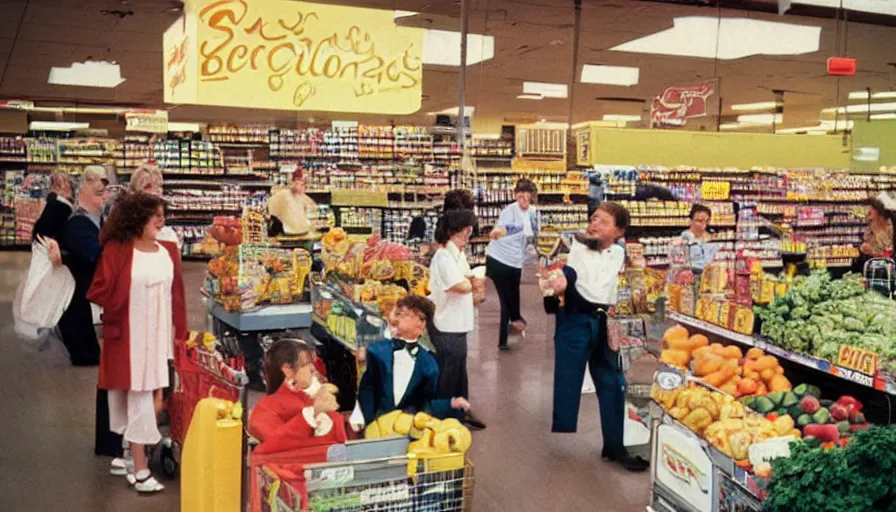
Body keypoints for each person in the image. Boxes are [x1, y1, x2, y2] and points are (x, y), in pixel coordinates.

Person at [86, 191, 188, 493]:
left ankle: (131, 453)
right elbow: (98, 291)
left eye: (162, 214)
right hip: (129, 339)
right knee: (140, 398)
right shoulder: (117, 250)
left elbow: (177, 296)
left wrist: (179, 334)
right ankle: (140, 468)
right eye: (153, 214)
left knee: (156, 399)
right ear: (136, 219)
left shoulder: (168, 250)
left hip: (159, 338)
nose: (161, 220)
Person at [546, 201, 648, 472]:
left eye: (603, 221)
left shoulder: (618, 253)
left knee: (613, 383)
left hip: (604, 321)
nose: (594, 224)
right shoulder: (577, 248)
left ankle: (614, 446)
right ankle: (576, 428)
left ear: (619, 231)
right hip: (575, 320)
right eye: (593, 218)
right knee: (569, 379)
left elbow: (628, 280)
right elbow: (567, 271)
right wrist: (560, 285)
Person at [356, 295, 471, 427]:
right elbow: (366, 390)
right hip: (375, 429)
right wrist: (367, 420)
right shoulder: (376, 351)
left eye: (404, 315)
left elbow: (425, 405)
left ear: (421, 324)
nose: (397, 318)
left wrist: (450, 404)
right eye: (398, 313)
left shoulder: (429, 364)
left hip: (407, 430)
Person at [427, 209, 486, 430]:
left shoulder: (458, 255)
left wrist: (472, 281)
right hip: (446, 325)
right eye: (465, 229)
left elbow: (467, 278)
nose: (469, 233)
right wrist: (474, 282)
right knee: (447, 374)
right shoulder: (443, 257)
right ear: (453, 231)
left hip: (458, 323)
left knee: (459, 372)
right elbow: (459, 285)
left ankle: (461, 411)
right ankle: (442, 418)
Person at [249, 339, 346, 455]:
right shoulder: (265, 408)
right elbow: (273, 447)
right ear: (288, 370)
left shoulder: (310, 397)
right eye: (306, 364)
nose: (313, 369)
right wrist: (314, 412)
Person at [58, 166, 109, 366]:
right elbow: (93, 253)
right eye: (98, 189)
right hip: (77, 287)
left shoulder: (97, 218)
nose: (104, 194)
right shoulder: (77, 222)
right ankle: (86, 353)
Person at [486, 179, 540, 351]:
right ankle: (505, 339)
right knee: (505, 300)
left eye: (527, 195)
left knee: (514, 296)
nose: (523, 199)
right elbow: (503, 228)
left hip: (516, 261)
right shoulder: (509, 211)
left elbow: (534, 235)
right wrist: (497, 232)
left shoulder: (533, 213)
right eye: (520, 195)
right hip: (499, 259)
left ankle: (515, 323)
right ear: (515, 195)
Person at [128, 162, 179, 246]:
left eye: (159, 185)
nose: (156, 191)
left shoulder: (169, 236)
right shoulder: (124, 234)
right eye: (148, 186)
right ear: (134, 193)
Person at [267, 167, 317, 237]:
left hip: (303, 233)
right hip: (287, 233)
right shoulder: (283, 195)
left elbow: (313, 213)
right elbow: (270, 210)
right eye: (299, 182)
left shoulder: (304, 198)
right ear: (293, 181)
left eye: (303, 184)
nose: (301, 186)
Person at [32, 171, 74, 242]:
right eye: (64, 182)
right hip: (49, 243)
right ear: (55, 186)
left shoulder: (54, 200)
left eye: (67, 182)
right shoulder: (59, 203)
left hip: (43, 240)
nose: (67, 185)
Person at [680, 204, 717, 272]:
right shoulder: (685, 237)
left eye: (706, 221)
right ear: (691, 221)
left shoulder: (711, 239)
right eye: (699, 221)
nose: (703, 223)